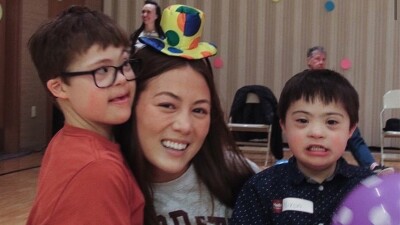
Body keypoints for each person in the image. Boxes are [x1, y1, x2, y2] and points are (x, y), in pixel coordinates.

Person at [128, 4, 259, 225]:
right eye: (168, 105)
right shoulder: (105, 185)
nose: (185, 126)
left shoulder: (242, 175)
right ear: (131, 105)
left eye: (199, 110)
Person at [26, 6, 144, 224]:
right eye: (102, 70)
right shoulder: (97, 169)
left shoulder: (68, 141)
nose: (121, 79)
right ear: (59, 87)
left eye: (124, 63)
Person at [231, 69, 374, 225]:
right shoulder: (261, 188)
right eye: (302, 121)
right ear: (284, 125)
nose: (317, 133)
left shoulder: (368, 188)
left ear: (351, 130)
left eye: (331, 122)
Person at [306, 46, 394, 175]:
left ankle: (373, 167)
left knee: (353, 132)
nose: (321, 62)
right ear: (309, 61)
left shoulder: (331, 80)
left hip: (332, 118)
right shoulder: (303, 81)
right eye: (317, 59)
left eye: (323, 59)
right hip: (315, 121)